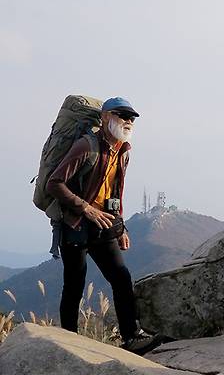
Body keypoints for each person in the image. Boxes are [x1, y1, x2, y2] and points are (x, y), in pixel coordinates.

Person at [46, 97, 161, 355]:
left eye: (131, 118)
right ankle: (69, 343)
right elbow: (54, 183)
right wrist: (85, 208)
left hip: (103, 225)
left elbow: (115, 193)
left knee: (121, 277)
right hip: (76, 224)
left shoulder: (122, 151)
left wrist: (122, 228)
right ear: (106, 117)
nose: (128, 121)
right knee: (74, 284)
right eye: (122, 115)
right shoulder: (86, 147)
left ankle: (132, 336)